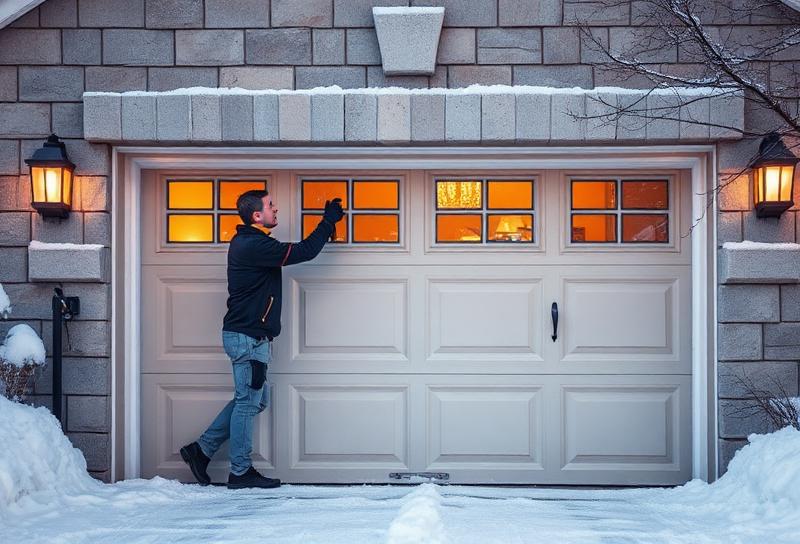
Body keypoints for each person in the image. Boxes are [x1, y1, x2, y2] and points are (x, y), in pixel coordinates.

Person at [179, 189, 344, 489]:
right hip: (246, 337)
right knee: (247, 402)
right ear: (257, 215)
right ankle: (240, 472)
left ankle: (201, 449)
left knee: (255, 399)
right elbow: (303, 252)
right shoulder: (251, 245)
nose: (276, 209)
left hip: (253, 336)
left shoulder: (254, 242)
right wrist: (326, 223)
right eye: (271, 205)